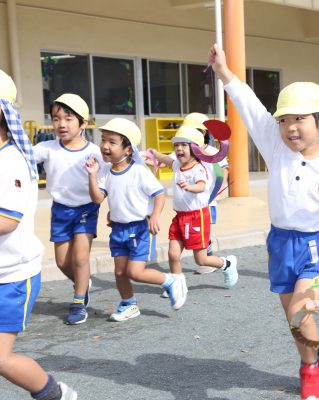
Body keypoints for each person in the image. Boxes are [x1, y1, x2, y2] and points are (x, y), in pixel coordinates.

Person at [209, 43, 319, 400]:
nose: (290, 128)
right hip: (279, 243)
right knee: (293, 319)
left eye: (299, 119)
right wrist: (226, 75)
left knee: (299, 310)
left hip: (316, 244)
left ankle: (310, 371)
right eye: (284, 120)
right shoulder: (275, 146)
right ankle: (313, 359)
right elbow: (251, 108)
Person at [0, 69, 77, 399]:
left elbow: (7, 220)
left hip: (12, 275)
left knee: (1, 358)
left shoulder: (11, 161)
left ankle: (55, 394)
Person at [85, 118, 187, 321]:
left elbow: (158, 194)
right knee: (120, 273)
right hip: (118, 229)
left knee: (135, 271)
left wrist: (155, 216)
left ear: (128, 149)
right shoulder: (105, 171)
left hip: (138, 229)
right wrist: (92, 175)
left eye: (112, 142)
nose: (105, 145)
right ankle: (129, 304)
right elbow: (97, 198)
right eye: (103, 139)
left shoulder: (139, 172)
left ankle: (170, 280)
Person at [33, 93, 100, 325]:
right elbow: (22, 155)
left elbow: (115, 173)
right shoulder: (47, 148)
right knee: (63, 262)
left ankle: (78, 301)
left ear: (83, 123)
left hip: (86, 209)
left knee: (81, 257)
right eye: (56, 118)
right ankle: (83, 283)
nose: (61, 124)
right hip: (60, 209)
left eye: (69, 118)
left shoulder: (95, 151)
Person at [145, 124, 238, 290]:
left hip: (198, 217)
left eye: (184, 145)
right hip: (180, 217)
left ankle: (227, 263)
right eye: (176, 145)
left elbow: (201, 186)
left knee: (201, 260)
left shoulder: (198, 169)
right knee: (173, 254)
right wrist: (154, 153)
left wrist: (189, 187)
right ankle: (176, 285)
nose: (179, 149)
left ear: (195, 149)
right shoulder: (176, 165)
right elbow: (167, 160)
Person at [181, 112, 230, 274]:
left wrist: (216, 193)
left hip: (207, 200)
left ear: (203, 133)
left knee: (203, 229)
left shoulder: (210, 150)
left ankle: (209, 260)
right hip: (188, 201)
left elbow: (223, 171)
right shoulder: (185, 150)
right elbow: (170, 160)